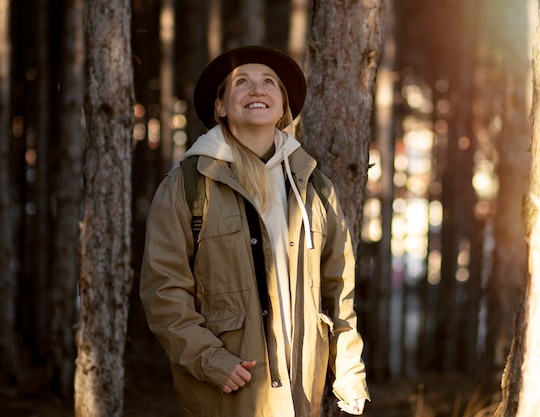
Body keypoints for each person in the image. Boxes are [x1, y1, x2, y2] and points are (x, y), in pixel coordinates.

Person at [140, 45, 370, 417]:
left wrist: (348, 371)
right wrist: (211, 360)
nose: (257, 89)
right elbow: (163, 290)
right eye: (241, 82)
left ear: (283, 107)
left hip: (301, 397)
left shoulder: (313, 188)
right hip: (228, 395)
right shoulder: (187, 186)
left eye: (269, 83)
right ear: (221, 107)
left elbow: (338, 291)